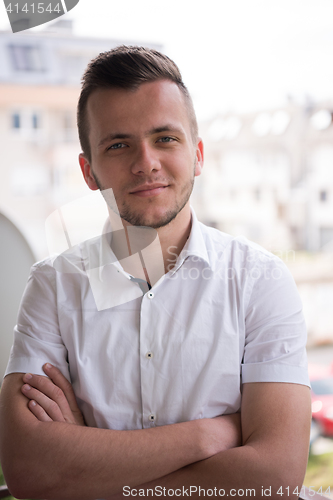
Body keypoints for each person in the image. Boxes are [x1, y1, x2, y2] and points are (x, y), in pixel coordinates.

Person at [0, 46, 311, 500]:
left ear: (198, 154)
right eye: (118, 144)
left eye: (165, 138)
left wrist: (90, 467)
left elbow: (275, 476)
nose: (146, 162)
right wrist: (207, 436)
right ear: (89, 171)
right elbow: (29, 472)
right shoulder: (52, 285)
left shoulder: (261, 280)